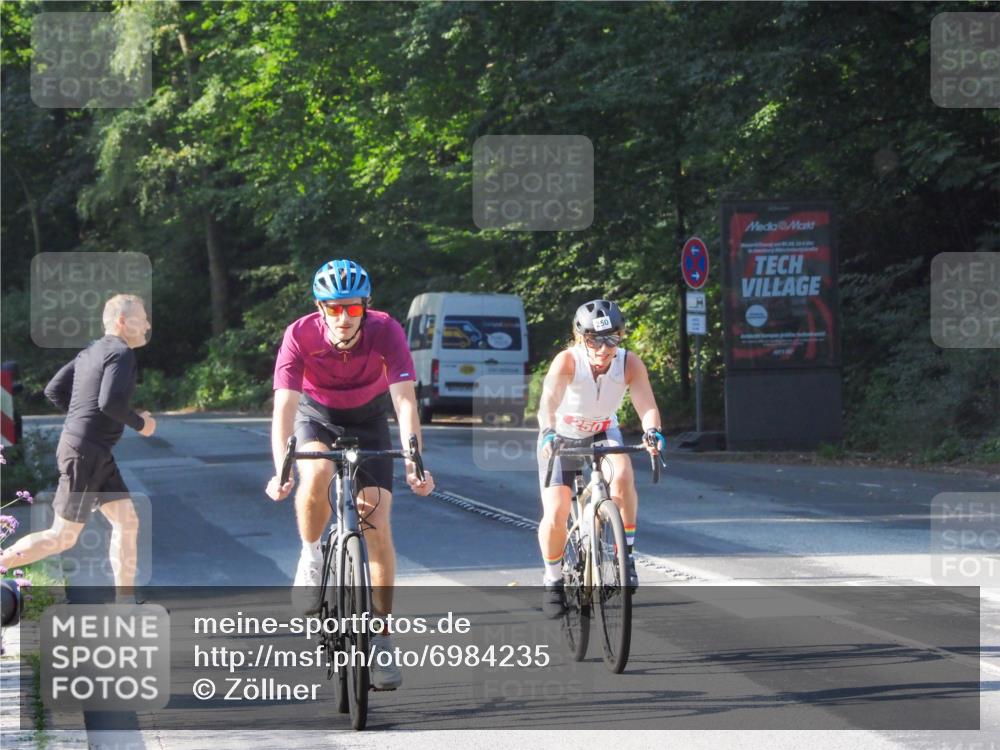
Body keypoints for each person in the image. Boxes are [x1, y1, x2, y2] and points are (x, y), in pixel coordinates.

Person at [265, 258, 434, 691]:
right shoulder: (299, 334)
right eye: (334, 308)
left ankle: (380, 638)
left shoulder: (386, 330)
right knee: (317, 470)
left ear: (365, 307)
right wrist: (280, 467)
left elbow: (405, 401)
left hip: (369, 419)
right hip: (316, 417)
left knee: (375, 525)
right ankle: (311, 556)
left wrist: (415, 459)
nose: (343, 318)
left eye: (353, 309)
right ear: (320, 308)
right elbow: (284, 406)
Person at [0, 294, 155, 602]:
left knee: (127, 520)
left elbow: (54, 390)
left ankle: (124, 605)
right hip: (85, 454)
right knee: (62, 537)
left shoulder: (90, 352)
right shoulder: (121, 352)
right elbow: (109, 402)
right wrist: (142, 424)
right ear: (123, 321)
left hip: (92, 452)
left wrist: (80, 420)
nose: (148, 324)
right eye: (142, 317)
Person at [536, 299, 665, 617]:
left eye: (612, 339)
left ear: (620, 337)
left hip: (602, 432)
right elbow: (547, 403)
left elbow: (646, 405)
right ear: (581, 339)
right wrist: (549, 432)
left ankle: (627, 556)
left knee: (622, 475)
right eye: (594, 339)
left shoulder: (629, 363)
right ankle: (552, 580)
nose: (603, 348)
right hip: (562, 436)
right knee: (556, 511)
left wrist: (652, 432)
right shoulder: (567, 361)